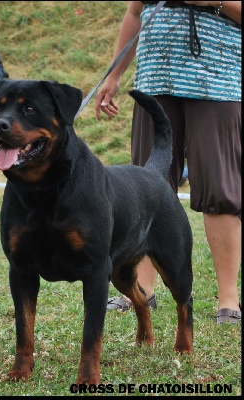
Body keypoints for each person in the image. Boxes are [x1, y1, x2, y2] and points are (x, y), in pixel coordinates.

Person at [96, 1, 241, 323]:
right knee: (148, 189)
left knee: (220, 192)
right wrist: (115, 74)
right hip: (155, 83)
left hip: (219, 86)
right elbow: (135, 12)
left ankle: (228, 298)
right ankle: (141, 290)